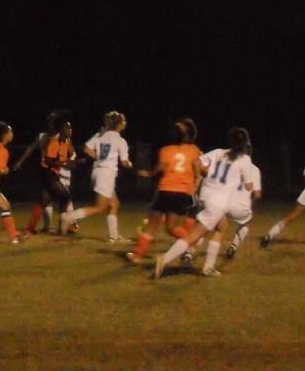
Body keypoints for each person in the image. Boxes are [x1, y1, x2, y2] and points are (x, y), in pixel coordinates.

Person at [154, 127, 255, 278]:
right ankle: (165, 259)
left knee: (222, 226)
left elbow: (197, 161)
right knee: (194, 235)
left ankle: (208, 267)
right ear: (245, 143)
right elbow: (248, 186)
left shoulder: (218, 152)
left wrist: (201, 173)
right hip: (218, 202)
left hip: (206, 195)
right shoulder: (245, 160)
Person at [127, 118, 201, 263]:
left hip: (165, 191)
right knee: (171, 227)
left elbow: (160, 169)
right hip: (182, 193)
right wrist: (194, 187)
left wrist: (148, 174)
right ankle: (191, 244)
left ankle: (137, 255)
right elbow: (198, 173)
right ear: (186, 136)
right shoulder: (194, 150)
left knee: (151, 226)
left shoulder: (165, 150)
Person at [61, 111, 132, 242]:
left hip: (97, 171)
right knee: (100, 207)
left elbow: (86, 148)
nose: (125, 123)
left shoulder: (100, 135)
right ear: (119, 124)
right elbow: (124, 162)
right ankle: (69, 217)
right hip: (107, 174)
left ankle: (114, 236)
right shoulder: (120, 140)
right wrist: (129, 164)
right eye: (124, 121)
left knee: (114, 204)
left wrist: (99, 158)